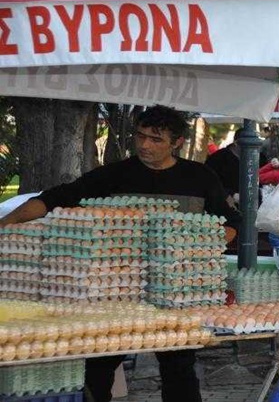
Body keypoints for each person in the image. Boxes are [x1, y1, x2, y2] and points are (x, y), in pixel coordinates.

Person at [0, 105, 240, 402]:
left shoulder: (200, 178)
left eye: (155, 139)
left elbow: (230, 225)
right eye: (140, 136)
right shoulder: (115, 175)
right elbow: (53, 199)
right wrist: (6, 224)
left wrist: (197, 246)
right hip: (116, 295)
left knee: (179, 366)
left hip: (173, 294)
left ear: (176, 143)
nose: (144, 145)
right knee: (100, 364)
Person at [205, 127, 244, 204]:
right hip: (222, 204)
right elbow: (209, 182)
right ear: (236, 142)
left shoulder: (255, 159)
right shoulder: (217, 158)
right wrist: (231, 194)